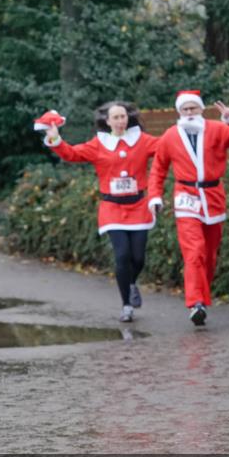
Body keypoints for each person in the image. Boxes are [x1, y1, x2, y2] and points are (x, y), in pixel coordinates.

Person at [42, 102, 159, 322]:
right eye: (116, 117)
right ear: (107, 121)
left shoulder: (142, 140)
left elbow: (169, 147)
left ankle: (131, 283)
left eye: (123, 116)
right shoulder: (99, 144)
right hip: (112, 209)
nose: (121, 121)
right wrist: (55, 138)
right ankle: (126, 305)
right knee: (122, 256)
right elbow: (72, 154)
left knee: (138, 258)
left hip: (138, 207)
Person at [147, 90, 229, 326]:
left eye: (193, 108)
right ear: (179, 112)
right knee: (194, 251)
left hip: (213, 196)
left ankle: (202, 300)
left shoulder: (217, 129)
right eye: (184, 109)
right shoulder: (170, 136)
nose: (189, 113)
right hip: (185, 197)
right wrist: (155, 197)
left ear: (201, 109)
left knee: (209, 255)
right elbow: (158, 169)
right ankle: (195, 302)